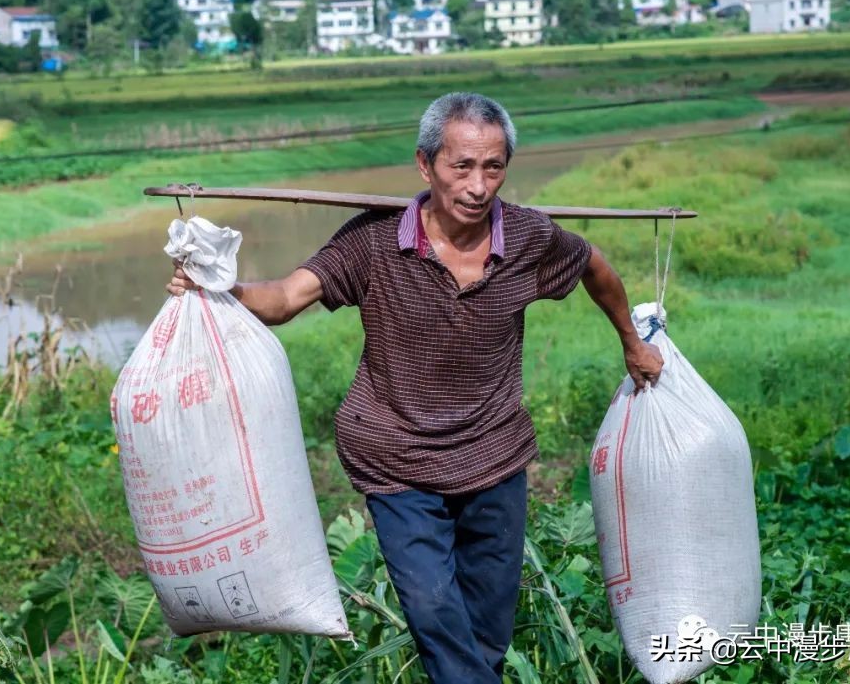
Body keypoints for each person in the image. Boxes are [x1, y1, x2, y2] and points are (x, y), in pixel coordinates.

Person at [166, 92, 663, 683]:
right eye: (461, 166)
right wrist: (221, 287)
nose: (478, 186)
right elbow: (285, 299)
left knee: (487, 631)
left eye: (493, 167)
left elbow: (593, 267)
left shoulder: (529, 237)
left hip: (493, 454)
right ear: (425, 165)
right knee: (432, 610)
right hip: (396, 457)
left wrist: (631, 340)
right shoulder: (374, 243)